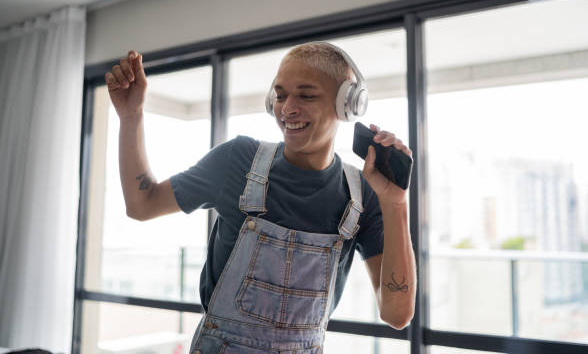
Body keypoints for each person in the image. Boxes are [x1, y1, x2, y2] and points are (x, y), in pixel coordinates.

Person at [105, 42, 417, 353]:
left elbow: (397, 315)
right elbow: (142, 204)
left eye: (306, 95)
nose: (287, 108)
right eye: (280, 96)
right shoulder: (237, 160)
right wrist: (131, 117)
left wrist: (396, 203)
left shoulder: (362, 194)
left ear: (346, 105)